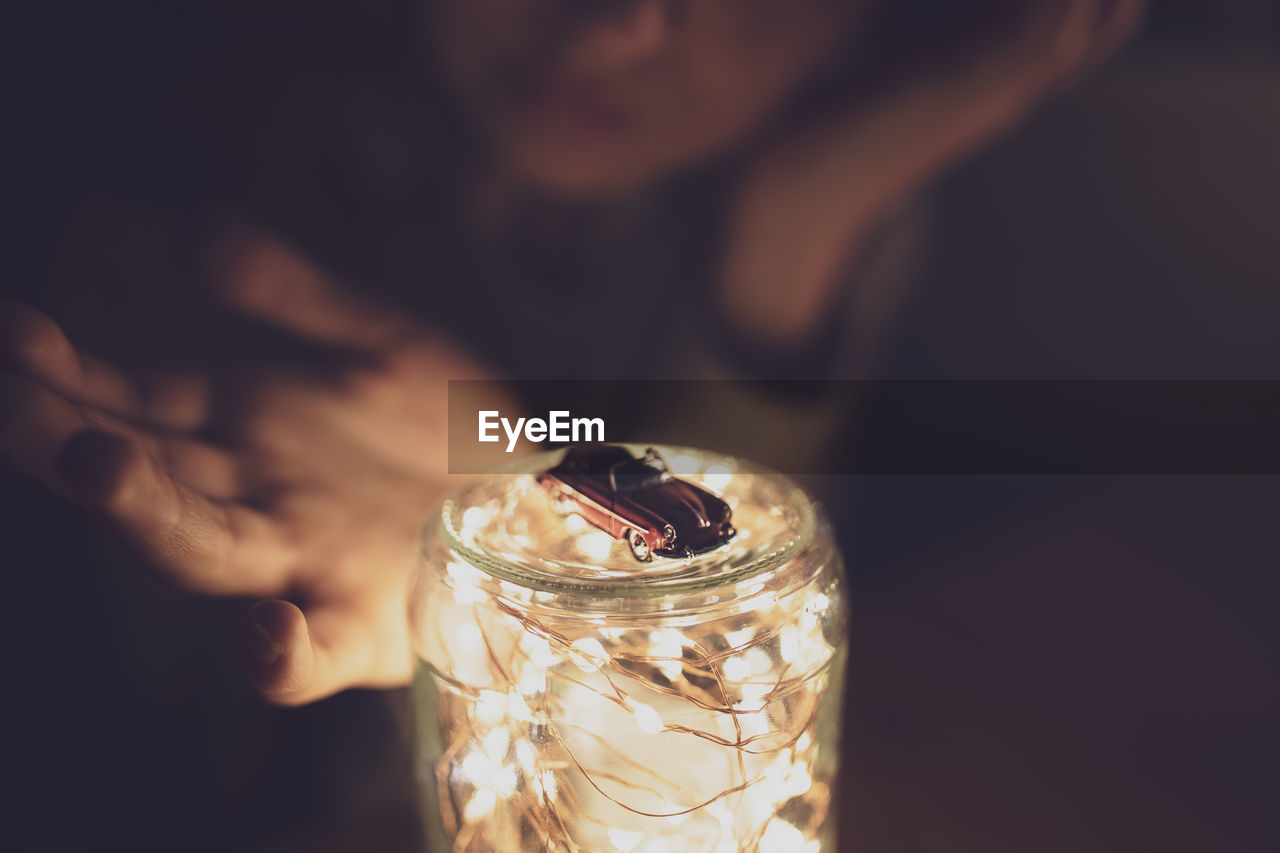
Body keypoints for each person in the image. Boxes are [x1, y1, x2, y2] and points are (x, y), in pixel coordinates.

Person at [0, 0, 1142, 714]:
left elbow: (728, 627)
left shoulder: (824, 199)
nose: (611, 31)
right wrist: (544, 472)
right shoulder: (228, 140)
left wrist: (794, 227)